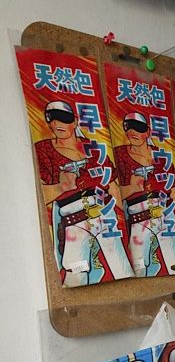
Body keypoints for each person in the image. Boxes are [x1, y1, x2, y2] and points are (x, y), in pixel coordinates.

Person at [36, 100, 133, 286]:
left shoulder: (94, 149)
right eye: (51, 118)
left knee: (122, 269)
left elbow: (113, 187)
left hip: (106, 216)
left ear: (74, 121)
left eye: (63, 118)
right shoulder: (43, 150)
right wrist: (60, 187)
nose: (57, 123)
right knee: (75, 278)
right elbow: (39, 197)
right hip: (74, 222)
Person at [114, 111, 175, 277]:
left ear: (147, 132)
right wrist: (133, 187)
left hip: (165, 218)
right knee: (139, 269)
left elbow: (174, 192)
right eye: (128, 127)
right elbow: (112, 192)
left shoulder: (161, 156)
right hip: (138, 219)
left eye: (138, 128)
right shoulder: (119, 154)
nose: (132, 132)